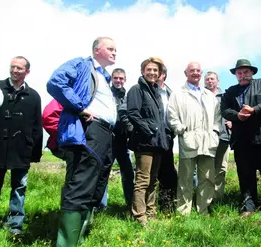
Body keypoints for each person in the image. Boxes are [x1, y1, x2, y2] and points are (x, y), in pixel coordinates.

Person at [47, 37, 117, 246]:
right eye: (110, 48)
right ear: (97, 50)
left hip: (105, 134)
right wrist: (79, 107)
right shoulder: (81, 64)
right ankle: (66, 243)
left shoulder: (105, 76)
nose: (115, 52)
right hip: (89, 131)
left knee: (95, 186)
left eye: (116, 49)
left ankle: (79, 237)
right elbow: (55, 81)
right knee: (80, 184)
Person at [0, 56, 43, 234]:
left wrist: (35, 152)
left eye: (19, 68)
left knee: (19, 188)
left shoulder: (33, 96)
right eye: (13, 67)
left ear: (27, 72)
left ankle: (15, 225)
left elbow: (36, 126)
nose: (15, 71)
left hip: (21, 149)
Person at [221, 59, 261, 219]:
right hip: (241, 141)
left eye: (246, 72)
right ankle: (248, 206)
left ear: (252, 72)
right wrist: (237, 115)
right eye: (239, 73)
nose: (242, 75)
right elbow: (224, 110)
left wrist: (254, 110)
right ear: (236, 75)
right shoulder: (231, 91)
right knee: (245, 175)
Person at [168, 62, 221, 215]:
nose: (195, 73)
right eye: (192, 71)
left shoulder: (209, 95)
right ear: (186, 73)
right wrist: (180, 130)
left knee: (207, 177)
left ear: (201, 73)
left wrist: (215, 132)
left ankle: (203, 209)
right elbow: (172, 115)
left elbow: (217, 117)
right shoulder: (178, 94)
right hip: (188, 139)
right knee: (185, 178)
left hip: (208, 140)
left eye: (198, 70)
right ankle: (184, 211)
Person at [127, 57, 169, 226]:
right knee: (142, 180)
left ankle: (151, 213)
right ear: (143, 71)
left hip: (157, 143)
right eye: (149, 69)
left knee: (153, 180)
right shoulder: (137, 90)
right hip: (144, 142)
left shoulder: (156, 92)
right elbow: (133, 114)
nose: (152, 73)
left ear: (160, 74)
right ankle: (139, 216)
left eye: (155, 70)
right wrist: (150, 130)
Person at [99, 68, 134, 209]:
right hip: (108, 140)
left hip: (123, 141)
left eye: (121, 78)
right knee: (103, 173)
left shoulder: (129, 96)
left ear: (125, 80)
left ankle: (131, 204)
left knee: (129, 174)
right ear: (111, 79)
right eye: (116, 78)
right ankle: (101, 206)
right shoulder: (106, 94)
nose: (118, 81)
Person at [204, 71, 231, 202]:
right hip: (206, 138)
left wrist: (232, 121)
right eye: (207, 79)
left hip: (223, 136)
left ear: (218, 81)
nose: (210, 81)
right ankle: (205, 199)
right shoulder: (200, 95)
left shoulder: (225, 96)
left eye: (212, 79)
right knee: (206, 169)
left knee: (221, 168)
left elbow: (232, 111)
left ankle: (217, 199)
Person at [156, 65, 178, 213]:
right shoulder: (143, 90)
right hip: (150, 138)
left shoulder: (171, 94)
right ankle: (147, 208)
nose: (155, 74)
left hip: (167, 138)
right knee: (149, 175)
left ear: (164, 75)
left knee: (168, 173)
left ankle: (167, 206)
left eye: (159, 72)